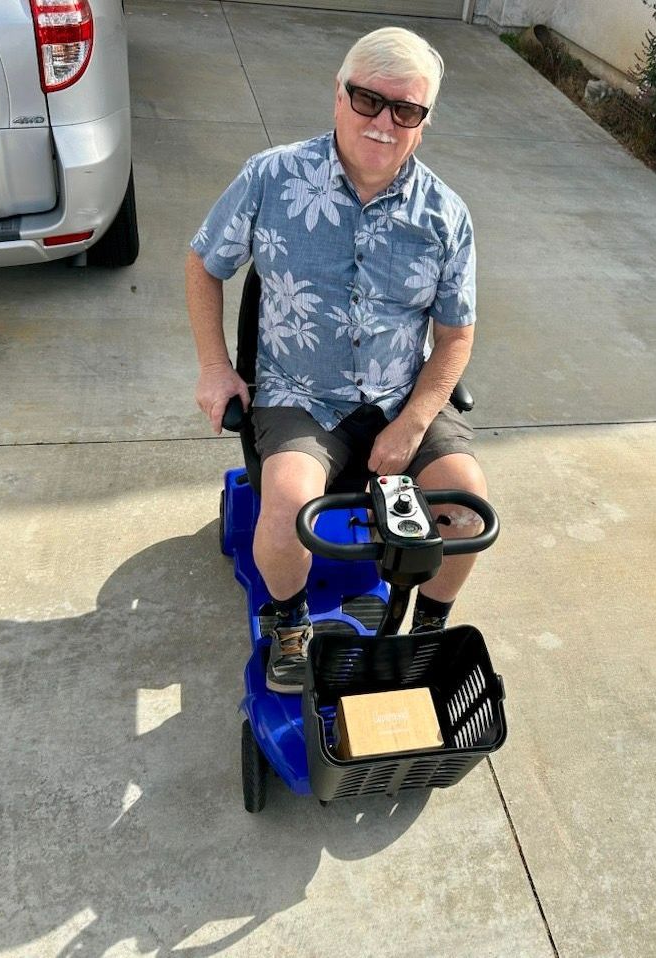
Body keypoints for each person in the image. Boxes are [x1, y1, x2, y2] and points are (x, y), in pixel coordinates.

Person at [186, 26, 487, 693]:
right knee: (289, 505)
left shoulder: (445, 215)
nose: (383, 122)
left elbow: (455, 336)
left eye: (405, 109)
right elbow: (204, 263)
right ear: (339, 95)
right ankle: (291, 626)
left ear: (424, 122)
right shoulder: (271, 177)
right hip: (301, 394)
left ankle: (428, 627)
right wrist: (214, 366)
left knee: (467, 506)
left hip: (401, 393)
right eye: (368, 100)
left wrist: (411, 424)